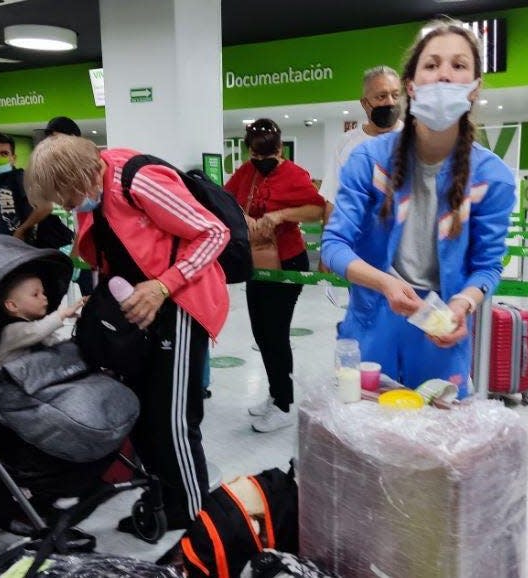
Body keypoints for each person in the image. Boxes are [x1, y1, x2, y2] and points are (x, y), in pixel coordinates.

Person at [25, 135, 230, 530]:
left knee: (172, 420)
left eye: (65, 197)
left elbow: (213, 233)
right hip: (138, 314)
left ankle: (192, 520)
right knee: (142, 415)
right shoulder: (94, 198)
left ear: (80, 176)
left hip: (179, 305)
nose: (66, 207)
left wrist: (164, 285)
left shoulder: (138, 180)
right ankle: (161, 505)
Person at [320, 19, 516, 399]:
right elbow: (334, 244)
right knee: (368, 445)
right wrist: (385, 282)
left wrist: (463, 303)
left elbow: (488, 265)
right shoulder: (369, 160)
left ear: (474, 89)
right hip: (372, 326)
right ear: (411, 85)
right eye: (431, 65)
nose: (444, 75)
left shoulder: (492, 177)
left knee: (434, 450)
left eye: (458, 66)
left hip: (440, 333)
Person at [224, 118, 325, 432]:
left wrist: (280, 215)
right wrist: (243, 217)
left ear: (280, 148)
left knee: (276, 333)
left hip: (288, 261)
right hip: (257, 261)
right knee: (260, 332)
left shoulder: (294, 175)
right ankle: (274, 391)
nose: (262, 161)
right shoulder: (246, 173)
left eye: (268, 156)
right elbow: (225, 199)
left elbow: (317, 209)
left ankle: (284, 404)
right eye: (256, 156)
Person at [318, 66, 403, 276]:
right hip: (363, 258)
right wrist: (327, 251)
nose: (390, 103)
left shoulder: (417, 139)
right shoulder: (347, 144)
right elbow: (332, 203)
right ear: (365, 103)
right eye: (381, 96)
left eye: (395, 95)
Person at [0, 132, 73, 249]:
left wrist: (21, 231)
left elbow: (46, 207)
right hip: (2, 245)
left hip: (24, 246)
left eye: (4, 153)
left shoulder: (20, 178)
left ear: (13, 158)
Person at [42, 115, 94, 296]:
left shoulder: (90, 170)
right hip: (85, 247)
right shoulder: (68, 173)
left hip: (95, 249)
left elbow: (90, 220)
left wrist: (74, 253)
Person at [0, 271, 86, 367]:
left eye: (43, 293)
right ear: (12, 305)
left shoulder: (35, 326)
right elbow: (37, 331)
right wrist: (62, 314)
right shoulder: (11, 331)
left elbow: (53, 342)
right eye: (35, 295)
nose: (44, 297)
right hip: (9, 379)